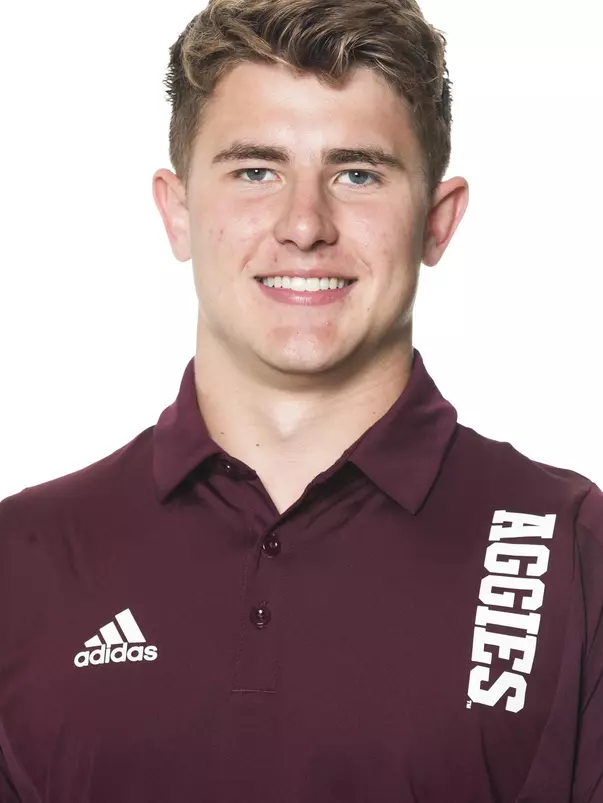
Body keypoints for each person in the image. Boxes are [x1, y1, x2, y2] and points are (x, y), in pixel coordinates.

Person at [1, 0, 601, 800]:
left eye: (357, 173)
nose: (304, 224)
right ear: (177, 212)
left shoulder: (571, 551)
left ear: (438, 219)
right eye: (256, 171)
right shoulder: (22, 560)